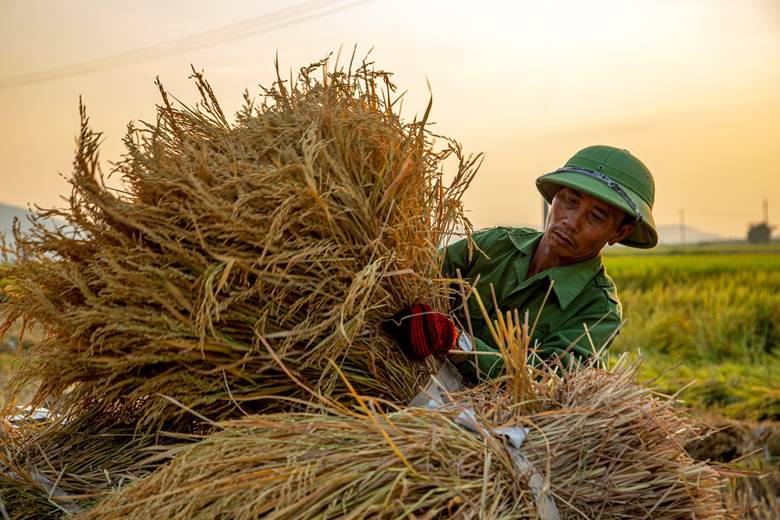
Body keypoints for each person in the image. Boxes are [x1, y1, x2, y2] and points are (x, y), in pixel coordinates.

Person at [387, 145, 658, 380]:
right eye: (570, 202)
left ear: (620, 232)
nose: (571, 222)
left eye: (596, 217)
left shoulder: (598, 310)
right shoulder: (493, 245)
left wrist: (458, 343)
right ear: (554, 199)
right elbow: (416, 275)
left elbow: (547, 382)